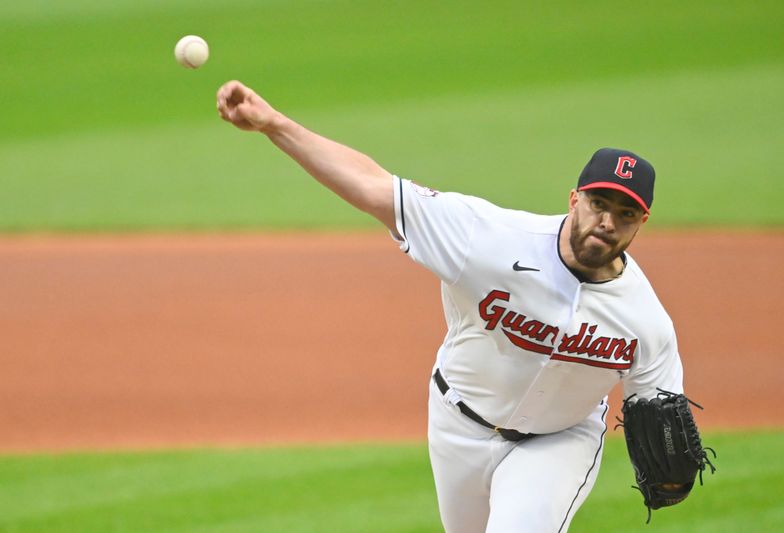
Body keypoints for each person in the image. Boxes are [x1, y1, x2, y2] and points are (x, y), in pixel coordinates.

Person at [216, 80, 684, 532]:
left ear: (641, 221)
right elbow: (373, 186)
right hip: (457, 424)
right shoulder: (488, 237)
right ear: (573, 199)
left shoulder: (646, 322)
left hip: (560, 442)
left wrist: (670, 467)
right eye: (598, 203)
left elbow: (661, 413)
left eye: (624, 214)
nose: (607, 222)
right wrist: (274, 124)